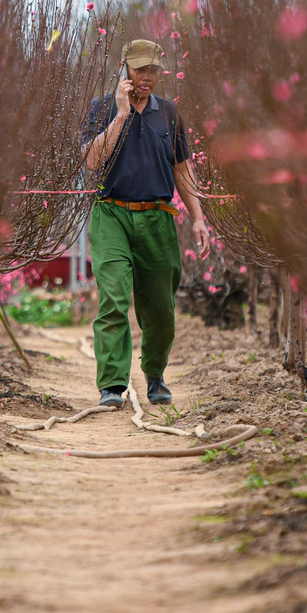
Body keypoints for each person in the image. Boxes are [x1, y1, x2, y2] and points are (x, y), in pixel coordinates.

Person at [80, 38, 212, 408]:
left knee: (160, 307)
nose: (146, 76)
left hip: (157, 218)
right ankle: (112, 385)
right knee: (114, 300)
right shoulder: (102, 108)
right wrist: (121, 115)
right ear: (124, 69)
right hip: (112, 215)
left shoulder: (169, 113)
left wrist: (199, 218)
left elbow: (182, 169)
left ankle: (155, 375)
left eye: (153, 69)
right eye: (139, 69)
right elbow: (92, 162)